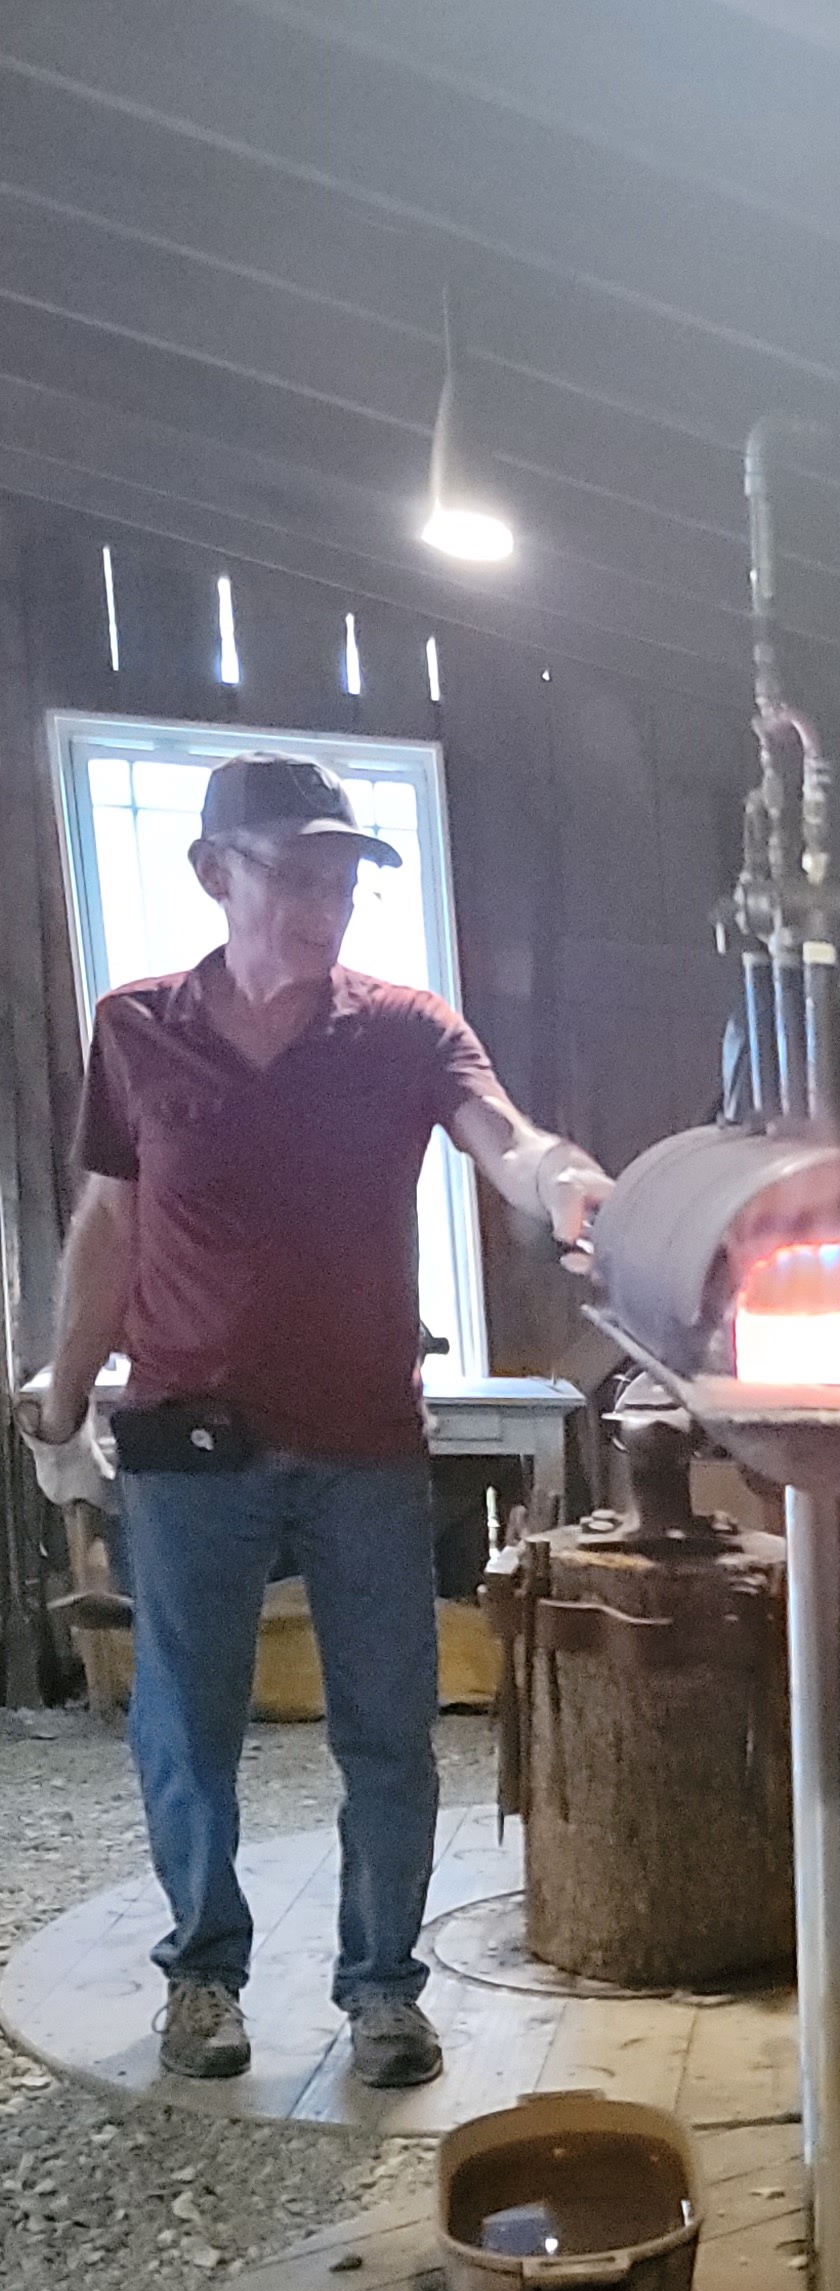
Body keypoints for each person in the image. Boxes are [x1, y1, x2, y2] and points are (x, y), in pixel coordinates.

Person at [21, 755, 610, 2089]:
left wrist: (569, 1186)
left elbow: (506, 1139)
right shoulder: (137, 1027)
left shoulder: (404, 1030)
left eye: (344, 880)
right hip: (189, 1444)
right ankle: (204, 1975)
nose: (325, 905)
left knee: (389, 1731)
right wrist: (65, 1387)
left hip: (362, 1445)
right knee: (188, 1730)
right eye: (295, 875)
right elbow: (111, 1221)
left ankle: (384, 1989)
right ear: (213, 874)